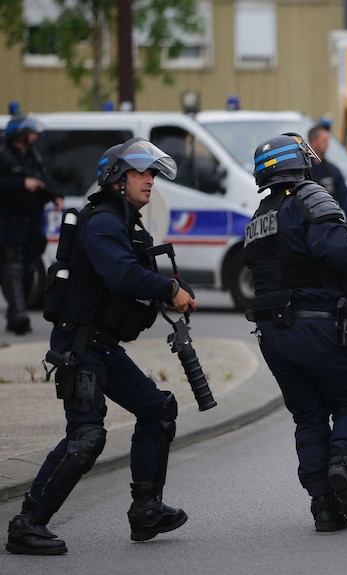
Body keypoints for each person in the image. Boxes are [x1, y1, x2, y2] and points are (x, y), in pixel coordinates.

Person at [5, 137, 197, 555]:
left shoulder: (124, 222)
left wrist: (175, 287)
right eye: (141, 173)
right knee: (87, 436)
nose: (151, 181)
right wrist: (168, 288)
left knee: (157, 409)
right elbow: (122, 276)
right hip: (81, 346)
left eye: (152, 174)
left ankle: (146, 509)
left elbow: (134, 276)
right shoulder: (104, 222)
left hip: (102, 345)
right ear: (116, 179)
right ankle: (26, 524)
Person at [242, 132, 347, 532]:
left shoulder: (258, 218)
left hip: (272, 334)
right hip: (317, 325)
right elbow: (335, 249)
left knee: (307, 417)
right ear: (300, 163)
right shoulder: (310, 197)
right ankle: (343, 463)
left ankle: (324, 506)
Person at [0, 113, 64, 335]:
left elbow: (46, 178)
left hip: (33, 223)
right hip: (10, 222)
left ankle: (16, 312)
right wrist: (21, 183)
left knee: (28, 270)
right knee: (13, 268)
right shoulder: (3, 155)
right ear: (19, 134)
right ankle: (18, 316)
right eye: (31, 133)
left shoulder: (34, 156)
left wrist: (56, 195)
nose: (35, 137)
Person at [307, 124, 347, 224]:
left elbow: (344, 199)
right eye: (324, 141)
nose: (327, 144)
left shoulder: (332, 171)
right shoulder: (304, 170)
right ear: (313, 142)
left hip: (330, 223)